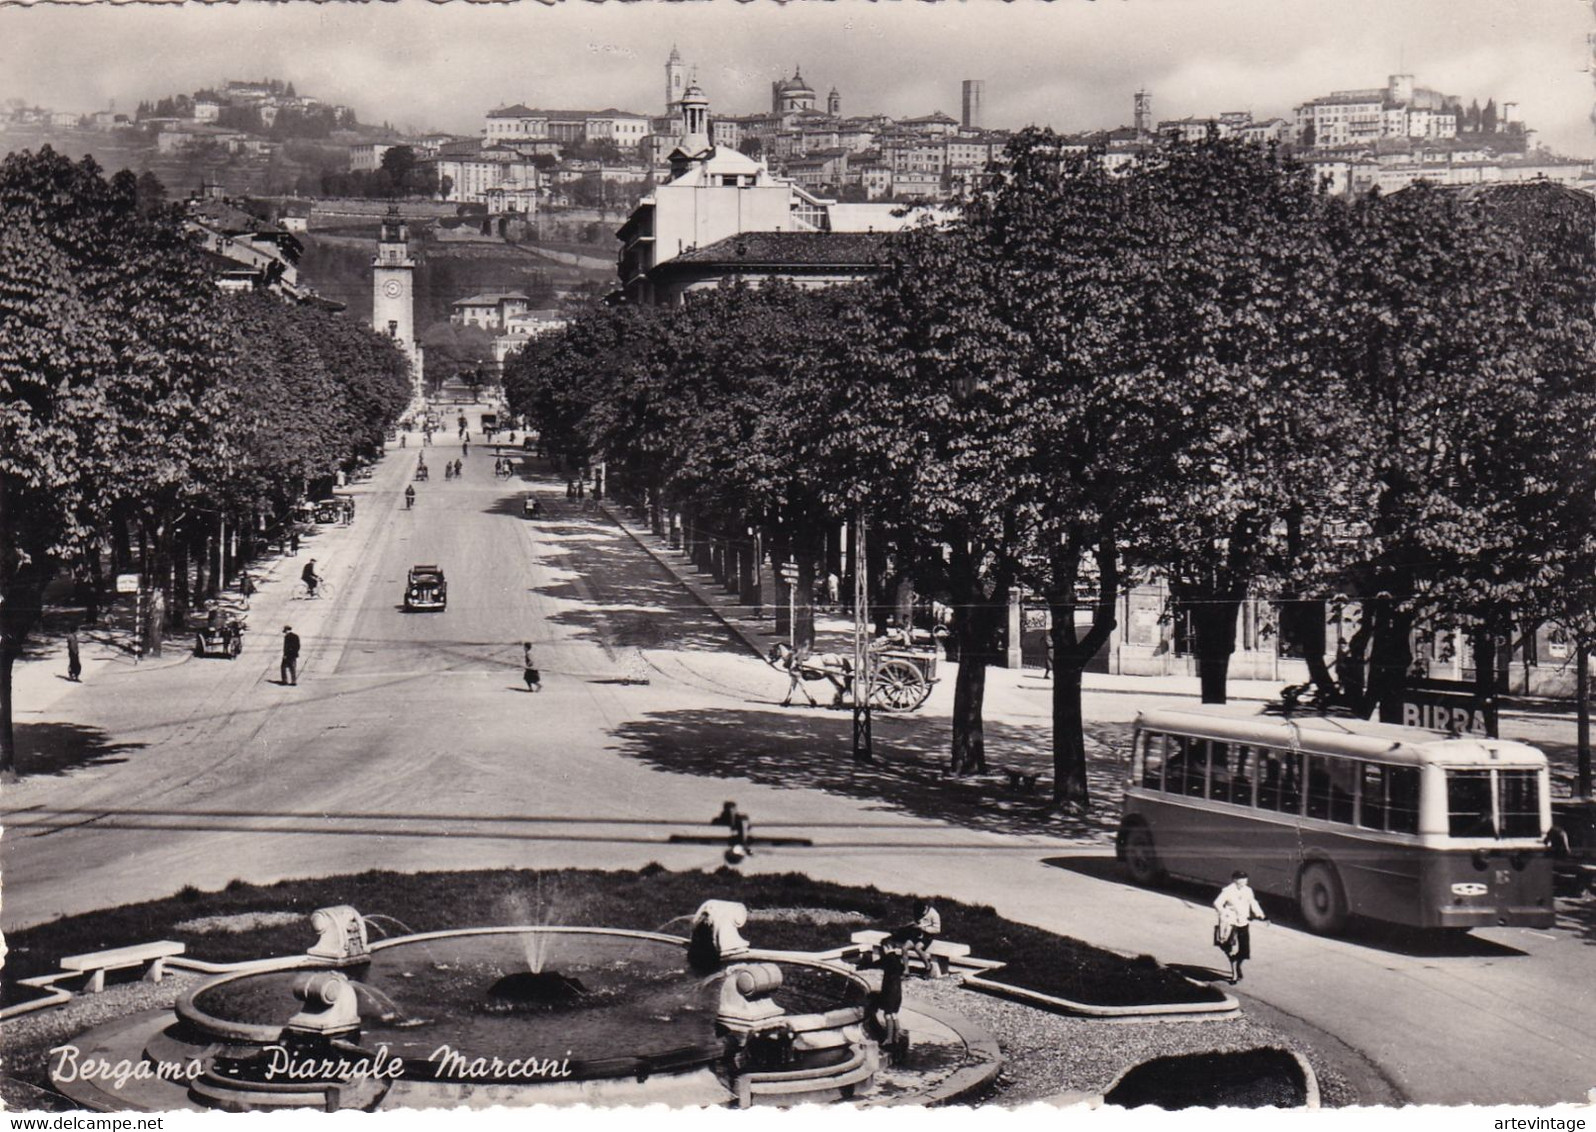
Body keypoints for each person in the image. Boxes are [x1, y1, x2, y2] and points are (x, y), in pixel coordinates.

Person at [1213, 870, 1268, 984]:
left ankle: (1237, 966)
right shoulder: (1228, 891)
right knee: (1230, 949)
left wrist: (1262, 916)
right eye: (1240, 879)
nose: (1243, 881)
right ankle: (1234, 974)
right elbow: (1217, 903)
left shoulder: (1248, 891)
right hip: (1230, 924)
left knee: (1244, 950)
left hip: (1243, 923)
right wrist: (1225, 913)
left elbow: (1253, 903)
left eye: (1245, 879)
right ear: (1234, 880)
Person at [891, 898, 941, 976]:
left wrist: (923, 928)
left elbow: (937, 929)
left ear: (925, 907)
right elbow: (916, 922)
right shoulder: (917, 911)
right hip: (916, 934)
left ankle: (928, 966)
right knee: (904, 948)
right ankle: (906, 970)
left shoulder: (934, 914)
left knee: (918, 948)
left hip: (927, 935)